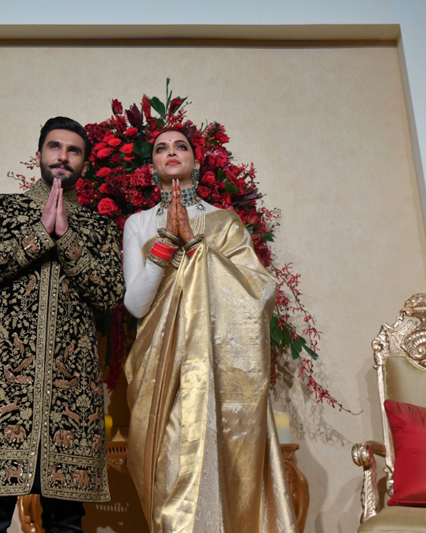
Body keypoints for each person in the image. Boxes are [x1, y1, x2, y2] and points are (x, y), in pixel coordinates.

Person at [122, 129, 298, 533]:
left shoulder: (226, 222)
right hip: (161, 368)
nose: (171, 152)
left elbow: (258, 291)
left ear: (196, 163)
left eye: (180, 146)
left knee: (222, 468)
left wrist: (197, 247)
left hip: (218, 371)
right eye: (161, 148)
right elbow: (135, 305)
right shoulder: (139, 223)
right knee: (169, 474)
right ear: (152, 166)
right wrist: (166, 244)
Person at [0, 117, 125, 533]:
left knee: (66, 523)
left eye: (73, 150)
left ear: (84, 163)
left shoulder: (99, 227)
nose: (62, 157)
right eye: (55, 147)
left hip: (73, 397)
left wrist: (66, 237)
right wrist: (37, 234)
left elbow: (110, 294)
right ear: (39, 154)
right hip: (4, 388)